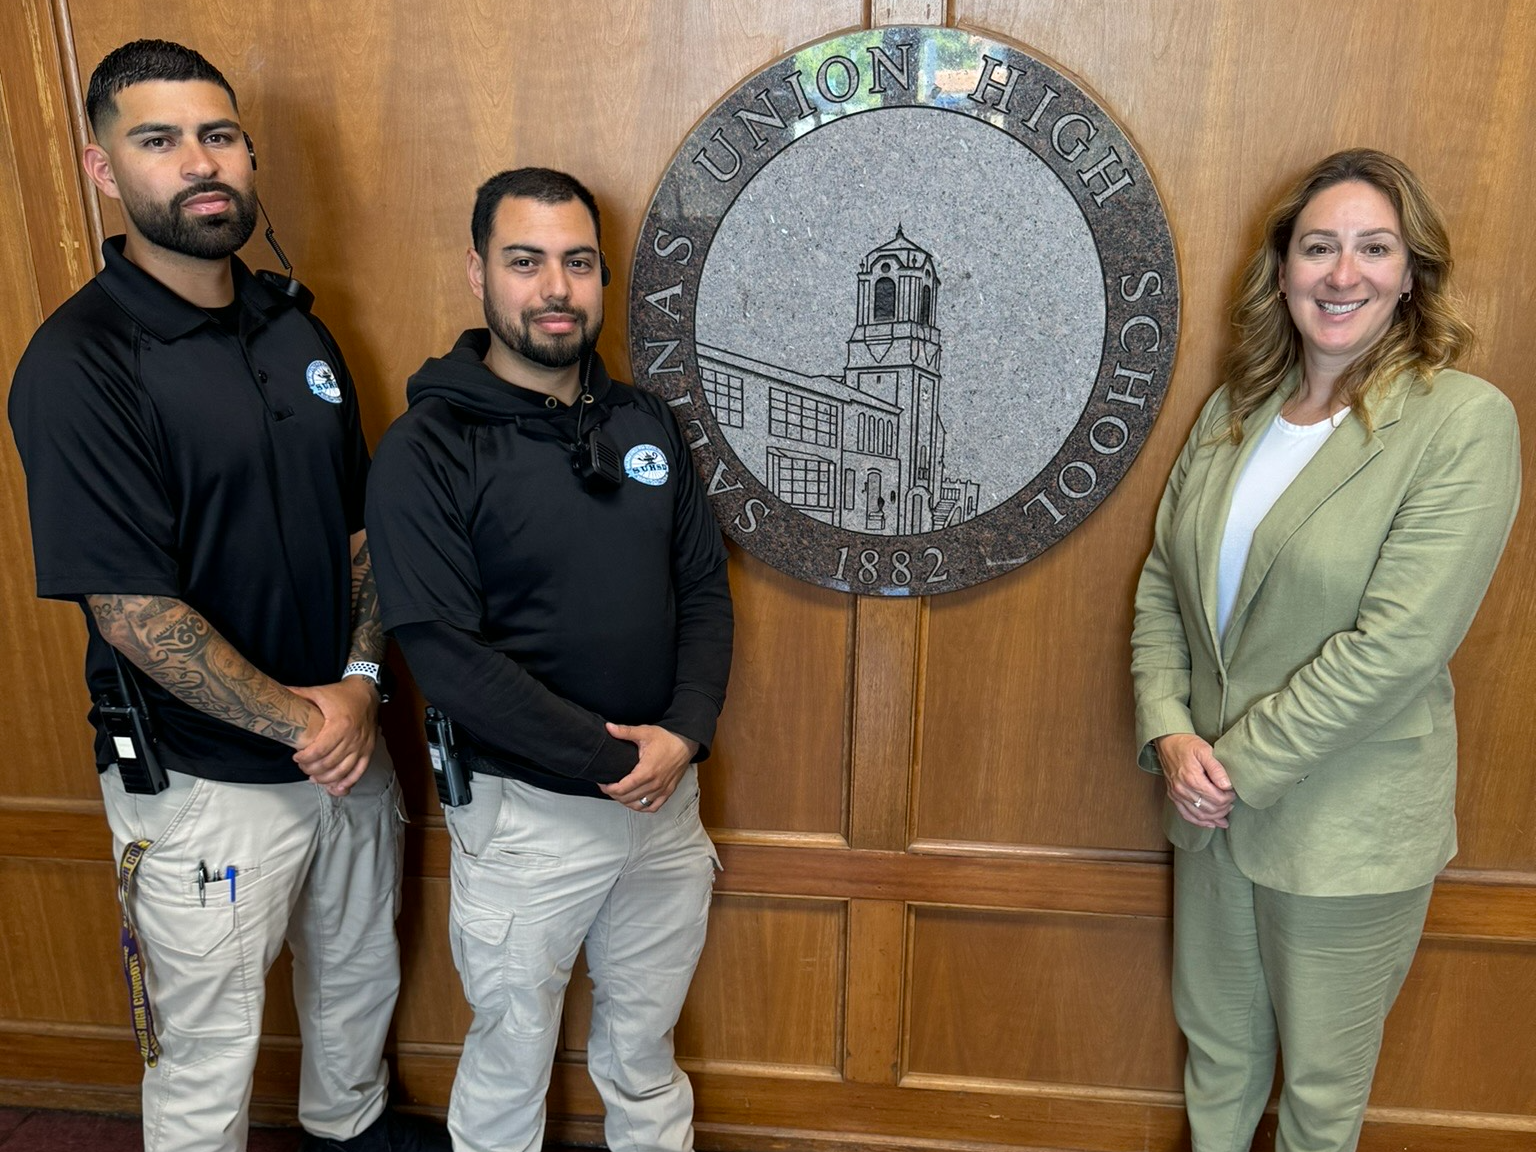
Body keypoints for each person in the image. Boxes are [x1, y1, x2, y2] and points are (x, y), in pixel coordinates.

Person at [7, 39, 445, 1152]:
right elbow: (130, 611)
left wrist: (353, 686)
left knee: (355, 997)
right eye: (157, 141)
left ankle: (347, 1134)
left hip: (343, 744)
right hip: (203, 784)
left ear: (246, 152)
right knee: (203, 1064)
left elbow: (358, 531)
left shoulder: (295, 325)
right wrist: (314, 722)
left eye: (217, 135)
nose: (198, 163)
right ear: (107, 171)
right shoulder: (79, 364)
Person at [1130, 148, 1521, 1152]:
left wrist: (1234, 769)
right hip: (1205, 811)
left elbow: (1396, 647)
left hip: (1345, 829)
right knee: (1216, 1065)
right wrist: (1172, 738)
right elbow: (1162, 587)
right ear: (1283, 268)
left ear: (1411, 273)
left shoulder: (1462, 423)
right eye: (1319, 247)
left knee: (1319, 1100)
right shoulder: (1233, 411)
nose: (1342, 273)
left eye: (1373, 248)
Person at [364, 167, 733, 1152]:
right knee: (511, 1050)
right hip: (529, 819)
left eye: (576, 262)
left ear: (602, 277)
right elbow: (446, 657)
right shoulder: (425, 449)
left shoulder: (646, 425)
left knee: (645, 1049)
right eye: (525, 261)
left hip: (667, 803)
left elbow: (702, 591)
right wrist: (616, 761)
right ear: (479, 275)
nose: (555, 288)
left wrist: (685, 735)